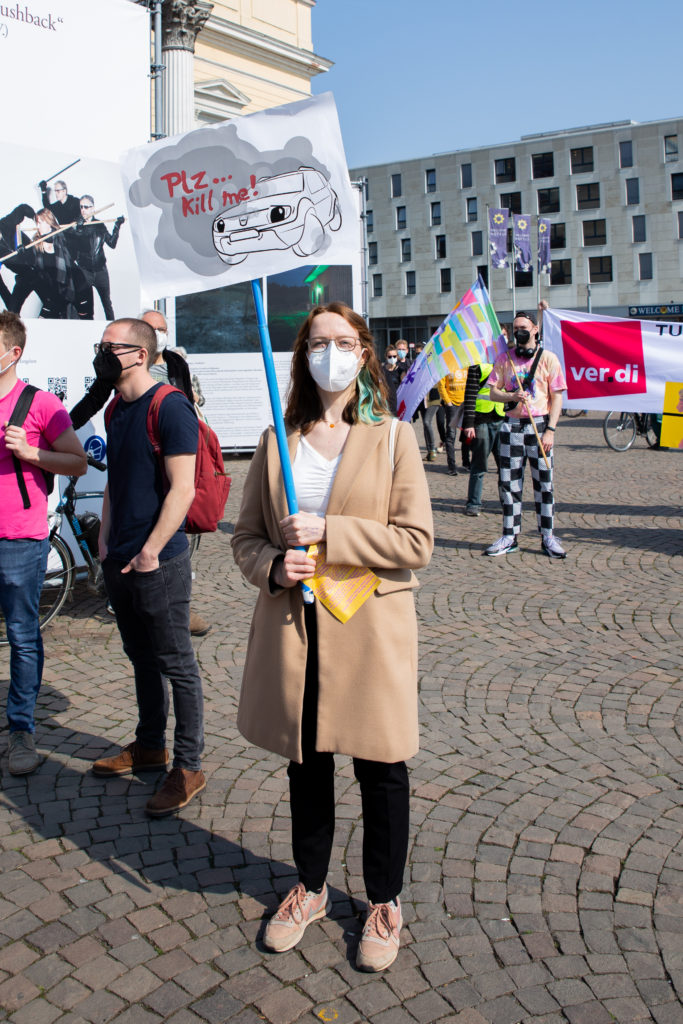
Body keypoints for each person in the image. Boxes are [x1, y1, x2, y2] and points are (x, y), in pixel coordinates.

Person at [231, 302, 433, 972]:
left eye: (344, 342)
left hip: (367, 628)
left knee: (380, 768)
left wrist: (329, 533)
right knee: (306, 765)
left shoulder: (392, 437)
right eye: (318, 342)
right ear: (300, 355)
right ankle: (310, 887)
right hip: (296, 629)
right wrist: (273, 566)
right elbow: (246, 540)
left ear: (365, 353)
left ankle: (383, 900)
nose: (331, 354)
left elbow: (414, 542)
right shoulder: (274, 440)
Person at [91, 318, 206, 817]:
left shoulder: (171, 406)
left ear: (138, 354)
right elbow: (117, 478)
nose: (100, 354)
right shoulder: (117, 406)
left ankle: (187, 765)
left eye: (108, 347)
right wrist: (105, 536)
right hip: (120, 555)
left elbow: (183, 488)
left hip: (158, 559)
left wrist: (151, 551)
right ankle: (149, 745)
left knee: (175, 660)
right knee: (139, 655)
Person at [0, 312, 86, 774]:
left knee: (21, 635)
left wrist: (31, 452)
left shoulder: (40, 404)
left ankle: (21, 730)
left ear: (13, 353)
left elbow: (76, 462)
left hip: (18, 539)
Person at [483, 310, 567, 558]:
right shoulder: (504, 359)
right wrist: (511, 396)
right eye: (515, 327)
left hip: (540, 426)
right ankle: (510, 536)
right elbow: (492, 392)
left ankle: (548, 536)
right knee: (509, 483)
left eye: (524, 327)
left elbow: (557, 396)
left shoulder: (549, 359)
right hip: (511, 427)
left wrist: (550, 430)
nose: (519, 331)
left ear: (535, 329)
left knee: (544, 483)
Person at [71, 196, 124, 320]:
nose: (83, 210)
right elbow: (73, 247)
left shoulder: (99, 225)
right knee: (86, 305)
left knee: (107, 303)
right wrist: (78, 229)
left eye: (86, 207)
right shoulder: (76, 224)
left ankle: (112, 328)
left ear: (93, 208)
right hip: (85, 271)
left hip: (101, 271)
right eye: (81, 207)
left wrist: (117, 226)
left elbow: (112, 244)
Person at [437, 368, 468, 474]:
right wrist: (448, 402)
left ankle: (466, 462)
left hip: (465, 402)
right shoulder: (446, 366)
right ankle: (452, 466)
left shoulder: (467, 365)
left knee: (467, 433)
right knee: (451, 435)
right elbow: (441, 386)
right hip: (452, 405)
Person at [381, 345, 401, 415]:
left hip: (399, 402)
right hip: (385, 404)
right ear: (386, 357)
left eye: (394, 356)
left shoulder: (401, 370)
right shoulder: (381, 370)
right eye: (390, 356)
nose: (392, 358)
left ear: (397, 357)